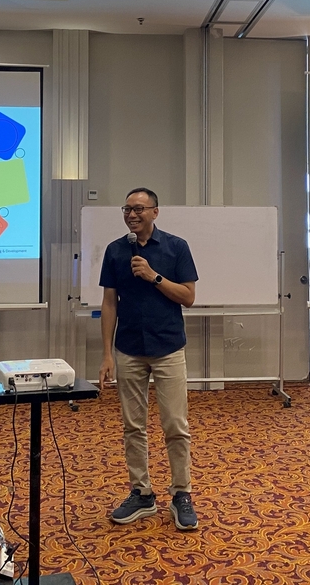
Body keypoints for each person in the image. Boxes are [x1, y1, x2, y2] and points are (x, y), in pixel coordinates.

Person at [99, 187, 200, 531]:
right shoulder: (115, 250)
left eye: (139, 209)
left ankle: (181, 493)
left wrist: (154, 276)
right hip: (128, 348)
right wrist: (106, 354)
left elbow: (188, 296)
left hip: (168, 347)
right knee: (133, 426)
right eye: (127, 209)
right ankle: (141, 493)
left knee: (175, 425)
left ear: (155, 212)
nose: (132, 214)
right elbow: (109, 303)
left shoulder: (176, 247)